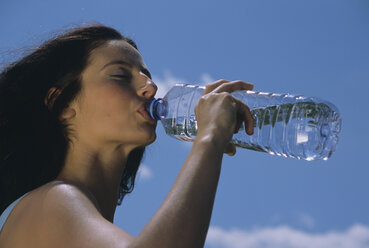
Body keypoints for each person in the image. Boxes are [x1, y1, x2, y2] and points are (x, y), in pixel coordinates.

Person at [0, 24, 254, 248]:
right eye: (120, 75)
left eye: (148, 78)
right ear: (62, 104)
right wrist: (210, 138)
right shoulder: (54, 201)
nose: (151, 88)